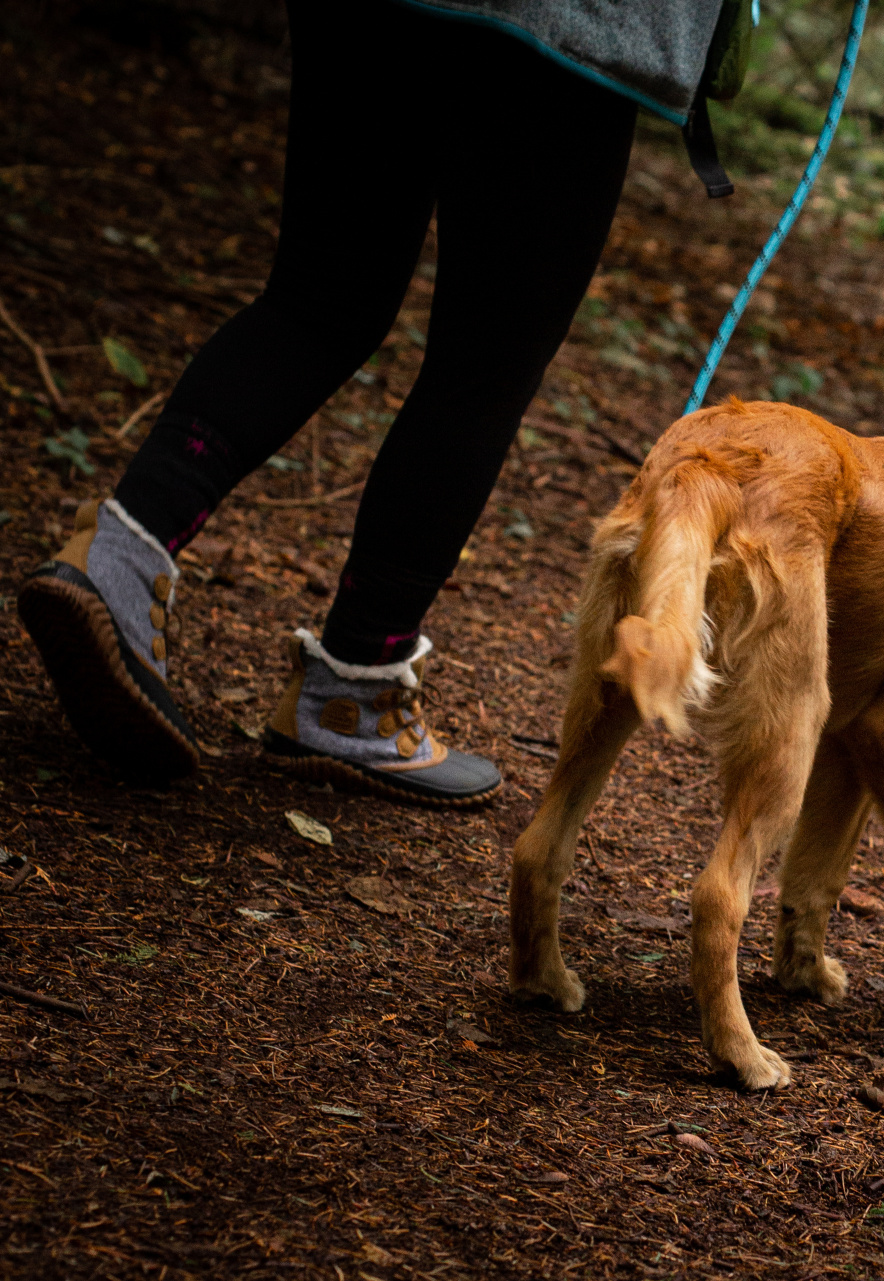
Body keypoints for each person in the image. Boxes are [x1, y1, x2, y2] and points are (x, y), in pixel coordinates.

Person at [19, 0, 733, 804]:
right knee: (485, 366)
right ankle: (356, 684)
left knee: (318, 298)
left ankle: (115, 557)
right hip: (569, 27)